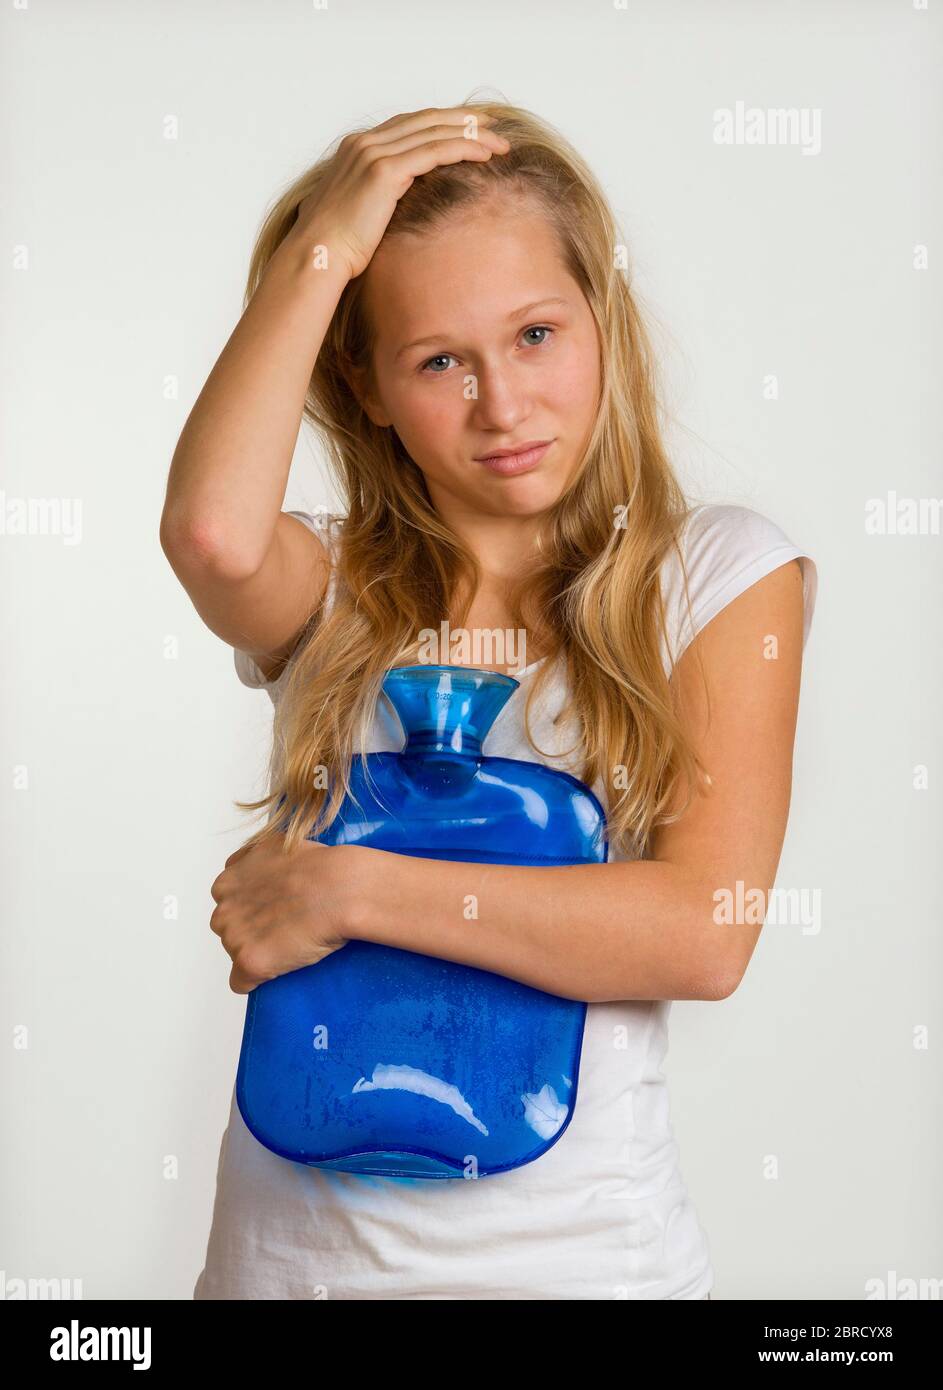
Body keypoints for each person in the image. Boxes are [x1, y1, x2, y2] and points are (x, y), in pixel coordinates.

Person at [161, 100, 818, 1300]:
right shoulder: (332, 587)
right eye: (437, 360)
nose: (502, 407)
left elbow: (701, 931)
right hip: (290, 1267)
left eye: (533, 334)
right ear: (362, 382)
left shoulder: (714, 577)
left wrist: (341, 886)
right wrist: (326, 244)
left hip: (577, 1268)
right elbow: (209, 532)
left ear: (600, 323)